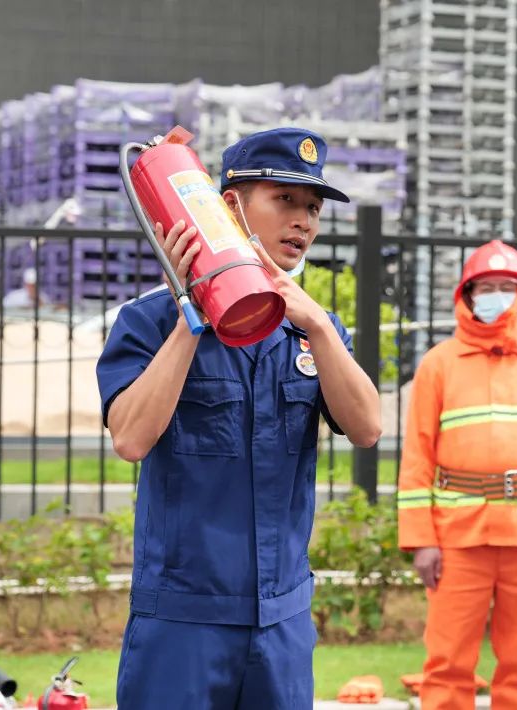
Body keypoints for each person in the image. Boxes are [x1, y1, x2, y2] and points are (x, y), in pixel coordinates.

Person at [96, 127, 381, 708]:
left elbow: (368, 428)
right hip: (182, 620)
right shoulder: (150, 322)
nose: (302, 221)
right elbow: (130, 438)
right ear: (229, 206)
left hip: (282, 619)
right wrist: (192, 314)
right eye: (285, 199)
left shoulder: (314, 330)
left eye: (313, 208)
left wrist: (318, 324)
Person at [396, 239, 517, 709]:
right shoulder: (438, 365)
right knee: (447, 665)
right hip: (458, 539)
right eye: (486, 288)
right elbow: (417, 458)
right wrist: (421, 540)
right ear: (467, 295)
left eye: (507, 287)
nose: (497, 297)